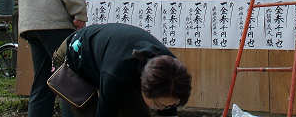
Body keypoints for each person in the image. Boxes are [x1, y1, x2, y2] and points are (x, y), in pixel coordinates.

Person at [52, 22, 192, 117]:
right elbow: (105, 113)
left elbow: (169, 103)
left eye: (171, 105)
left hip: (110, 59)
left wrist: (169, 110)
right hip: (75, 59)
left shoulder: (171, 70)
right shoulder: (116, 74)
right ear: (144, 89)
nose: (163, 108)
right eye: (159, 105)